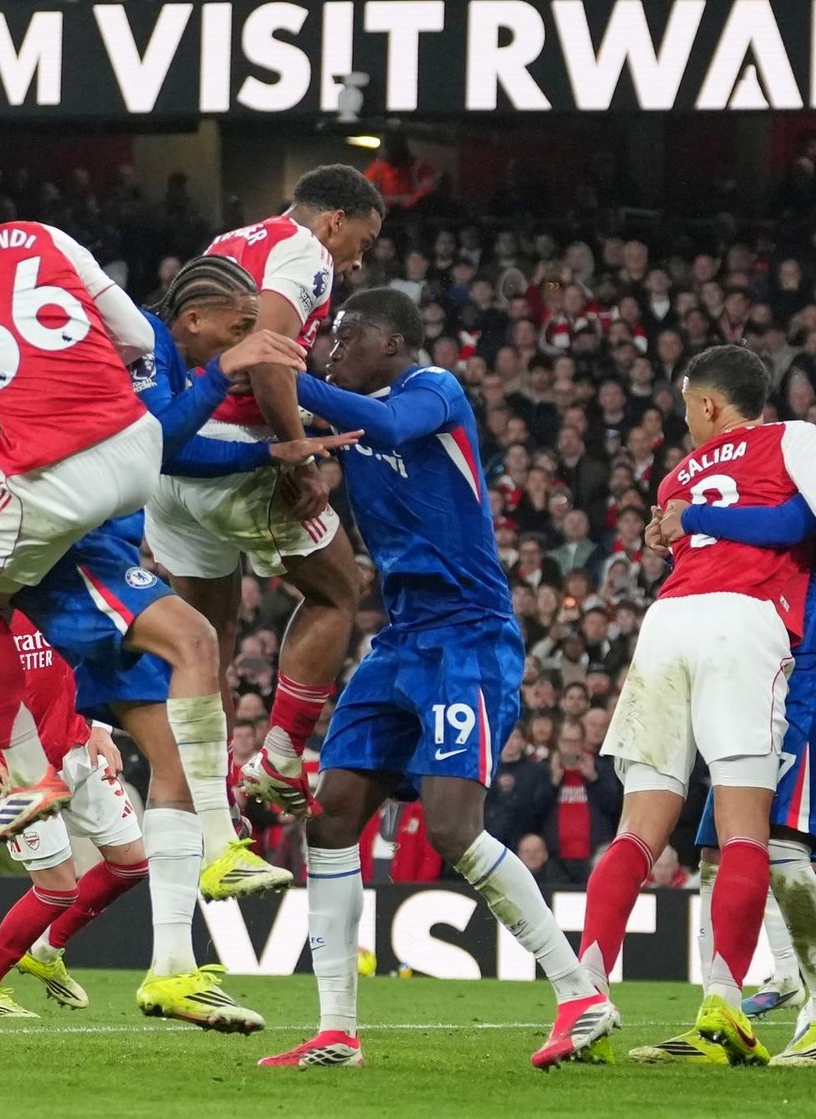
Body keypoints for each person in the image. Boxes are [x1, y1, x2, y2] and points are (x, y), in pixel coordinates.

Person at [0, 256, 345, 1031]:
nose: (244, 340)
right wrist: (236, 398)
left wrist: (266, 449)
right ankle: (217, 840)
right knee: (196, 638)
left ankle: (171, 968)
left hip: (94, 544)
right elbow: (161, 444)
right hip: (80, 550)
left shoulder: (157, 357)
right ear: (194, 319)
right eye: (238, 327)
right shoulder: (141, 351)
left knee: (169, 760)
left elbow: (170, 448)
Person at [258, 288, 614, 1071]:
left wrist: (285, 374)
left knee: (453, 826)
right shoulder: (346, 421)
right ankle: (336, 1030)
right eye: (327, 340)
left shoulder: (433, 391)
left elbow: (386, 427)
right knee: (331, 817)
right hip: (399, 640)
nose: (331, 350)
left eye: (346, 337)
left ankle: (580, 995)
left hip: (469, 637)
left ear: (391, 342)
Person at [575, 344, 816, 1066]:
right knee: (720, 850)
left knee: (777, 847)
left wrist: (689, 514)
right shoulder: (795, 459)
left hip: (813, 675)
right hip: (764, 661)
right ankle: (719, 1012)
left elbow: (797, 523)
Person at [144, 164, 384, 820]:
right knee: (340, 590)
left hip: (174, 458)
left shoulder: (230, 241)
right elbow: (268, 354)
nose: (357, 261)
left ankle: (211, 807)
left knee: (208, 640)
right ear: (334, 221)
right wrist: (298, 458)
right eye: (360, 243)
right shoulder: (307, 253)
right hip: (237, 453)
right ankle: (280, 758)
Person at [0, 152, 163, 847]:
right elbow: (138, 338)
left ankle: (29, 776)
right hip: (138, 444)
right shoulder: (48, 237)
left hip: (55, 468)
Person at [0, 615, 145, 1018]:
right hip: (19, 767)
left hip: (79, 746)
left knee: (131, 862)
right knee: (57, 890)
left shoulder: (62, 599)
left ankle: (46, 950)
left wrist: (102, 729)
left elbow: (105, 658)